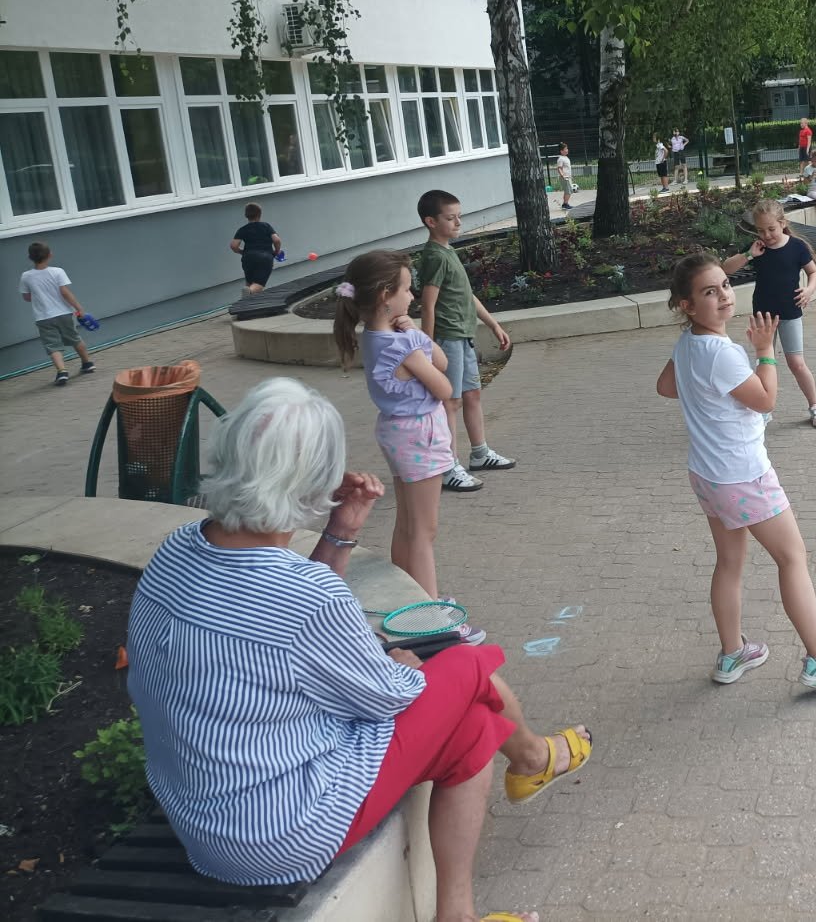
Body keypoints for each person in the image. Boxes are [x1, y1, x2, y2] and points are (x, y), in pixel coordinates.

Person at [125, 378, 591, 922]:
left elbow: (286, 620)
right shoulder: (306, 596)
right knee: (466, 663)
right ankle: (534, 758)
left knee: (473, 730)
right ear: (314, 480)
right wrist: (402, 666)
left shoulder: (178, 549)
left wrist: (341, 531)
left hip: (201, 818)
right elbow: (387, 697)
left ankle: (458, 913)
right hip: (278, 836)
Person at [655, 254, 816, 688]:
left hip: (708, 475)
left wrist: (707, 394)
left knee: (729, 562)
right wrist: (765, 352)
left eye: (724, 285)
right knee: (792, 557)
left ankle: (732, 654)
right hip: (743, 475)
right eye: (709, 292)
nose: (723, 296)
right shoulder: (722, 354)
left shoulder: (688, 343)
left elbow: (666, 386)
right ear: (687, 305)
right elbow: (766, 399)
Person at [333, 250, 480, 639]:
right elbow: (445, 385)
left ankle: (406, 600)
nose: (412, 296)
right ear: (386, 295)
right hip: (419, 436)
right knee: (423, 532)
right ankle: (433, 620)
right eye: (407, 289)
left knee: (408, 525)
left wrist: (412, 331)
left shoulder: (375, 336)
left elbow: (439, 363)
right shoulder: (402, 347)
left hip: (399, 434)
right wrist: (414, 339)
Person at [415, 190, 517, 492]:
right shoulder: (434, 256)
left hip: (463, 338)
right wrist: (428, 348)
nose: (458, 222)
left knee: (472, 396)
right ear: (431, 222)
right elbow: (428, 306)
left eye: (459, 216)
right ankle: (448, 467)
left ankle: (480, 453)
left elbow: (466, 295)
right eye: (451, 218)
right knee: (450, 403)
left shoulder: (447, 251)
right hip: (447, 340)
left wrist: (493, 325)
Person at [721, 200, 816, 428]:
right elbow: (725, 269)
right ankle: (763, 411)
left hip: (790, 312)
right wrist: (749, 254)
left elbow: (813, 273)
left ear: (782, 223)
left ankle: (815, 405)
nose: (766, 235)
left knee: (796, 363)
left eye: (771, 229)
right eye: (761, 230)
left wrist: (809, 290)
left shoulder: (797, 247)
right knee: (765, 362)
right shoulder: (757, 248)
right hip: (763, 316)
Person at [19, 241, 94, 387]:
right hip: (64, 313)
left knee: (52, 345)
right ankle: (87, 363)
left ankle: (62, 372)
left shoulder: (26, 276)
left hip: (43, 317)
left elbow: (27, 297)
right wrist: (79, 307)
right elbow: (65, 292)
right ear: (50, 255)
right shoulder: (57, 271)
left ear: (30, 257)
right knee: (75, 338)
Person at [231, 202, 283, 293]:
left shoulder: (243, 229)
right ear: (260, 214)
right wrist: (276, 251)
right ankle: (250, 291)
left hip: (248, 258)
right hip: (264, 257)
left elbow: (234, 245)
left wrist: (241, 252)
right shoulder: (266, 226)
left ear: (246, 215)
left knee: (250, 282)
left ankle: (248, 297)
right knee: (259, 284)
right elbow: (277, 240)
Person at [555, 143, 575, 210]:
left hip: (568, 177)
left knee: (567, 191)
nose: (567, 150)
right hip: (565, 178)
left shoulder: (566, 158)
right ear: (561, 151)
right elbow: (559, 168)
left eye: (567, 148)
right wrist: (562, 175)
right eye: (565, 149)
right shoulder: (560, 159)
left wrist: (570, 176)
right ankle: (565, 204)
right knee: (569, 191)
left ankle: (565, 204)